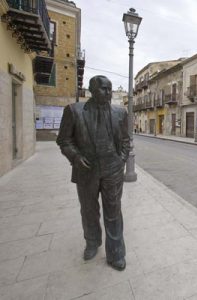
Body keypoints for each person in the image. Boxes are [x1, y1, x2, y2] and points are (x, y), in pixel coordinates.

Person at [56, 75, 130, 271]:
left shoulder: (120, 112)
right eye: (104, 89)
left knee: (113, 212)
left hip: (112, 169)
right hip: (86, 170)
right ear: (92, 90)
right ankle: (92, 242)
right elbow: (64, 140)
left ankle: (116, 254)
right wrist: (76, 157)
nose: (108, 93)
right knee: (89, 210)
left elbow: (125, 140)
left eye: (110, 89)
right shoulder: (74, 111)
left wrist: (121, 160)